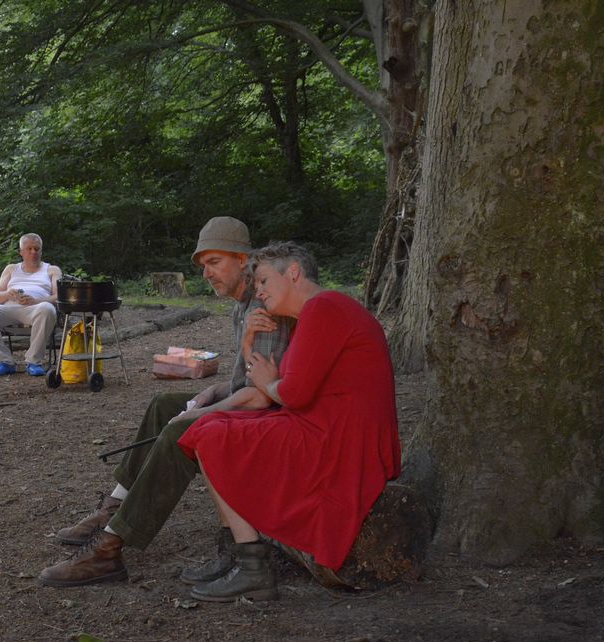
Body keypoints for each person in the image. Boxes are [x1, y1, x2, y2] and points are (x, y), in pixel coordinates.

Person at [38, 216, 293, 588]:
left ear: (243, 260)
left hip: (274, 417)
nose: (206, 273)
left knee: (181, 429)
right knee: (165, 405)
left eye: (214, 262)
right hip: (255, 402)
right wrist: (212, 391)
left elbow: (262, 395)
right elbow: (251, 377)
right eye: (202, 265)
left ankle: (109, 547)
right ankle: (114, 505)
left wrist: (201, 412)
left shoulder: (263, 306)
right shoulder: (242, 305)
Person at [177, 242, 401, 602]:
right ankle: (238, 554)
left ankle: (252, 567)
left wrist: (269, 385)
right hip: (326, 427)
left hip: (340, 440)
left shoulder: (324, 308)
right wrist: (249, 344)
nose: (259, 292)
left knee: (209, 434)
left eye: (264, 281)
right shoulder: (315, 314)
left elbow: (290, 393)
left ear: (293, 272)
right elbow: (271, 381)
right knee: (207, 429)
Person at [0, 233, 61, 377]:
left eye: (37, 249)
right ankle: (4, 361)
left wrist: (36, 301)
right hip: (8, 308)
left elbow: (58, 296)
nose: (33, 252)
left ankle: (34, 362)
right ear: (21, 252)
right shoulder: (11, 269)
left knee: (47, 309)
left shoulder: (51, 270)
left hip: (35, 309)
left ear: (41, 251)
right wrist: (8, 294)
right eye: (29, 248)